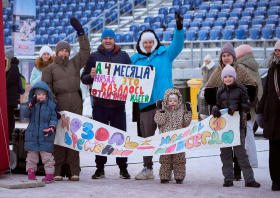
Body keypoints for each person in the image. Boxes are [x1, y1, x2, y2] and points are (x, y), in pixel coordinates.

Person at [131, 12, 185, 180]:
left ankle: (174, 167)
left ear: (155, 43)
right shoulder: (134, 60)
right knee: (146, 138)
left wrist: (179, 28)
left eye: (150, 42)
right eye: (145, 42)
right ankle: (147, 168)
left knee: (169, 136)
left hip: (165, 104)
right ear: (141, 44)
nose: (148, 45)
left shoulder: (166, 54)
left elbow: (177, 45)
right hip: (145, 104)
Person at [42, 18, 90, 181]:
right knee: (59, 137)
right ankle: (57, 170)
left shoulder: (74, 63)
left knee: (74, 136)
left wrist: (81, 34)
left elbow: (85, 52)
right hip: (59, 103)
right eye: (62, 51)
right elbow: (46, 87)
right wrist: (52, 104)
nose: (65, 53)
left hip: (76, 102)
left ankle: (73, 170)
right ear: (57, 52)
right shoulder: (50, 69)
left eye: (67, 51)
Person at [81, 29, 132, 179]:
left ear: (114, 40)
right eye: (105, 38)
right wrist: (90, 77)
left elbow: (133, 77)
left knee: (120, 138)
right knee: (100, 138)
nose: (108, 41)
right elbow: (83, 78)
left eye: (111, 38)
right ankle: (100, 168)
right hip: (99, 105)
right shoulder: (93, 56)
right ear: (102, 40)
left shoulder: (123, 56)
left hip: (118, 105)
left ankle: (123, 168)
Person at [205, 42, 256, 181]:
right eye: (223, 56)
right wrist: (215, 105)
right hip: (223, 119)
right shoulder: (217, 72)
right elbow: (209, 90)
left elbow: (251, 88)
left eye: (228, 55)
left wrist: (239, 105)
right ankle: (228, 177)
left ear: (233, 56)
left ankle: (240, 174)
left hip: (239, 118)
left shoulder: (241, 70)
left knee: (239, 148)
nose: (226, 58)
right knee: (226, 149)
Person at [211, 65, 260, 188]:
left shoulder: (241, 89)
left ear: (234, 77)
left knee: (241, 154)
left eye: (230, 76)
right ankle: (228, 178)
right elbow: (217, 104)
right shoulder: (220, 91)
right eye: (225, 77)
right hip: (224, 128)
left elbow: (248, 106)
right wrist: (215, 108)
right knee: (225, 154)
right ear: (223, 78)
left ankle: (249, 179)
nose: (228, 79)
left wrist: (238, 106)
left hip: (238, 127)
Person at [21, 81, 57, 184]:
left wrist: (51, 127)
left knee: (47, 157)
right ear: (35, 95)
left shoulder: (51, 106)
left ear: (47, 95)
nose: (41, 96)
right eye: (39, 94)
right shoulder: (31, 104)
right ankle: (31, 174)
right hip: (32, 135)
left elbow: (53, 118)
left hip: (45, 135)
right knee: (31, 157)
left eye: (43, 94)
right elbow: (24, 114)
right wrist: (30, 106)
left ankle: (49, 175)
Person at [154, 89, 192, 184]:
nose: (172, 103)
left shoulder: (181, 112)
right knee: (165, 160)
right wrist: (160, 110)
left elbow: (186, 122)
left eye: (174, 101)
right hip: (166, 141)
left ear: (178, 101)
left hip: (179, 140)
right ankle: (164, 176)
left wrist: (188, 111)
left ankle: (179, 176)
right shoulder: (163, 111)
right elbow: (159, 121)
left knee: (179, 160)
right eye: (170, 101)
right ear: (166, 101)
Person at [256, 40, 280, 191]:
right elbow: (266, 93)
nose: (277, 53)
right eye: (276, 50)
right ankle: (276, 180)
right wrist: (259, 111)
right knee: (275, 150)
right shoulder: (272, 69)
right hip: (273, 115)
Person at [236, 45, 263, 168]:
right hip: (254, 104)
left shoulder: (241, 67)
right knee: (249, 132)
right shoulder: (253, 66)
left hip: (245, 105)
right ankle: (252, 161)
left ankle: (252, 162)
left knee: (247, 134)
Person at [5, 48, 20, 144]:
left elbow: (8, 81)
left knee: (10, 116)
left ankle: (9, 136)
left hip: (10, 97)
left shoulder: (14, 67)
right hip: (8, 97)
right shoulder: (7, 65)